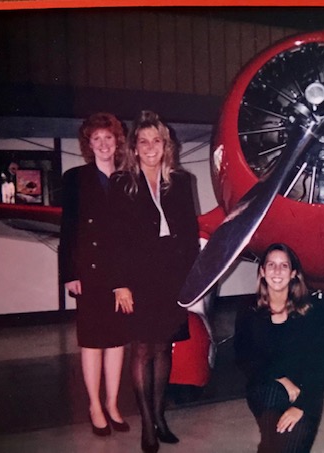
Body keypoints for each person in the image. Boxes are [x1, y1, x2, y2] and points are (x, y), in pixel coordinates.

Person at [109, 110, 200, 453]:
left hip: (172, 276)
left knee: (164, 347)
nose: (150, 147)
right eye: (143, 142)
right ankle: (147, 424)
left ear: (166, 146)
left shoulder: (182, 181)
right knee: (142, 349)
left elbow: (190, 237)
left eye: (156, 141)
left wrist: (192, 282)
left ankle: (160, 417)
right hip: (137, 277)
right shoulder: (121, 183)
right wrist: (119, 283)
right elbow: (114, 237)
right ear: (134, 148)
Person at [58, 112, 130, 436]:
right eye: (96, 139)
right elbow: (67, 229)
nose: (103, 144)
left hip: (120, 274)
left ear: (117, 142)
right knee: (92, 343)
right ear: (89, 144)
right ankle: (94, 405)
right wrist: (68, 273)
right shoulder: (75, 178)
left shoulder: (128, 179)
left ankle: (113, 403)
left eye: (108, 138)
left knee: (116, 341)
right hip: (88, 272)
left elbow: (133, 234)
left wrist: (129, 279)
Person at [234, 243, 324, 453]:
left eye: (284, 266)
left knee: (291, 443)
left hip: (306, 391)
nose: (277, 271)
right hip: (265, 386)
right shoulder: (249, 310)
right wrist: (282, 379)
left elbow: (320, 366)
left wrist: (302, 406)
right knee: (277, 436)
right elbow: (244, 358)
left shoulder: (312, 312)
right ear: (262, 271)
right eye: (271, 265)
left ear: (294, 273)